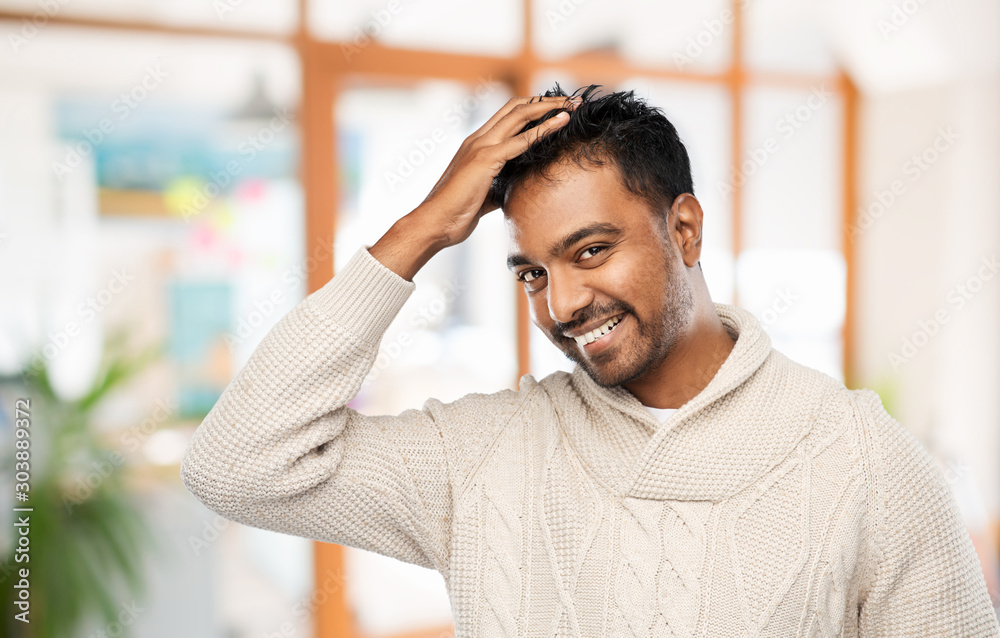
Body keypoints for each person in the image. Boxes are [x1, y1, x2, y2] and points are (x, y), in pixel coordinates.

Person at [181, 84, 1000, 636]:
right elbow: (236, 465)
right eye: (533, 272)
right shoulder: (483, 456)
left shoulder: (863, 461)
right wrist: (421, 229)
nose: (562, 303)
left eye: (592, 250)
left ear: (685, 229)